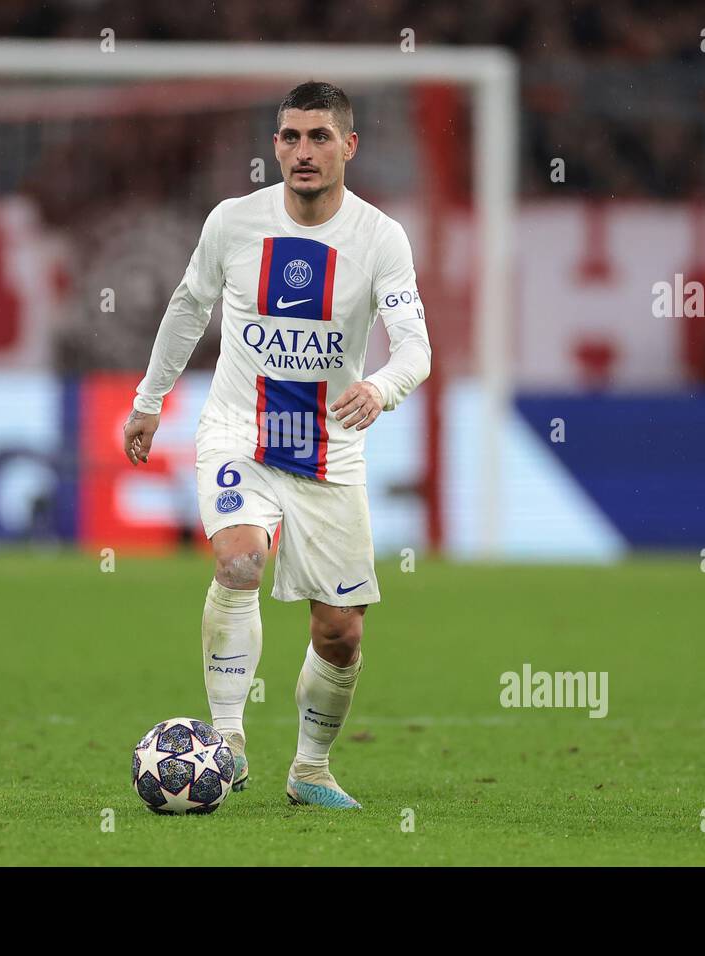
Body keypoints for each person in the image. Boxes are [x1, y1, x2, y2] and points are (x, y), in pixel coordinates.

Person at [123, 81, 431, 809]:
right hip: (240, 432)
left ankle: (311, 769)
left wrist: (381, 389)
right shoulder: (234, 223)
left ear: (349, 146)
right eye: (290, 137)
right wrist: (148, 401)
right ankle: (226, 742)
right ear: (275, 147)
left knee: (341, 633)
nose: (303, 151)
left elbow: (415, 349)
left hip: (330, 448)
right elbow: (187, 307)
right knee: (239, 559)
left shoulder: (380, 237)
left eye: (319, 137)